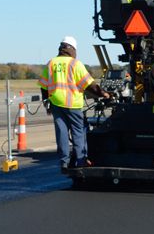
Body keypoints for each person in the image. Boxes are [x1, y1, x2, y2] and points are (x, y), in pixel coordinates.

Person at [38, 36, 111, 173]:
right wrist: (104, 94)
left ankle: (64, 162)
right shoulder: (75, 64)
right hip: (72, 104)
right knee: (79, 131)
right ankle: (80, 161)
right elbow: (89, 85)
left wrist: (46, 102)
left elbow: (43, 86)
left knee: (62, 132)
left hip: (56, 104)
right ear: (72, 49)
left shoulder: (51, 63)